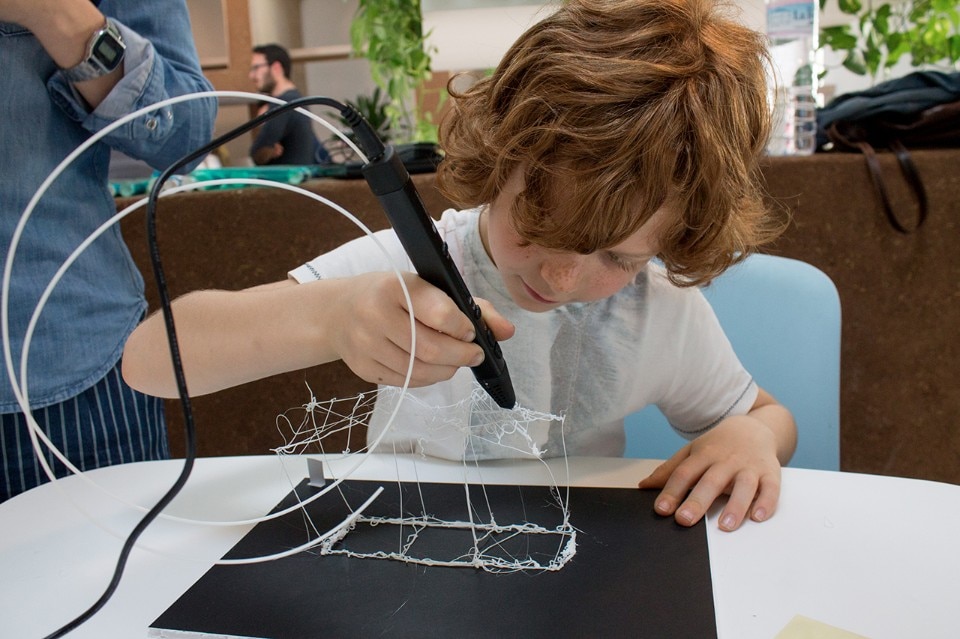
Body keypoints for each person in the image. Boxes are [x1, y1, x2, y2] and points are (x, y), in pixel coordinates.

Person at [122, 0, 797, 532]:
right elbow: (149, 361)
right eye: (540, 223)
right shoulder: (419, 269)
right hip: (413, 548)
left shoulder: (659, 314)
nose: (561, 278)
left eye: (618, 257)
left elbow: (770, 417)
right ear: (502, 161)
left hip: (584, 567)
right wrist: (328, 318)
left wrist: (751, 434)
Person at [0, 0, 217, 502]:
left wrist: (56, 15)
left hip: (66, 371)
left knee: (126, 578)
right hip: (66, 354)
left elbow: (186, 132)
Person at [248, 43, 329, 165]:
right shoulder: (296, 100)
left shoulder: (283, 104)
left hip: (283, 182)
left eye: (256, 68)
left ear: (276, 67)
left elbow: (257, 153)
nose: (252, 75)